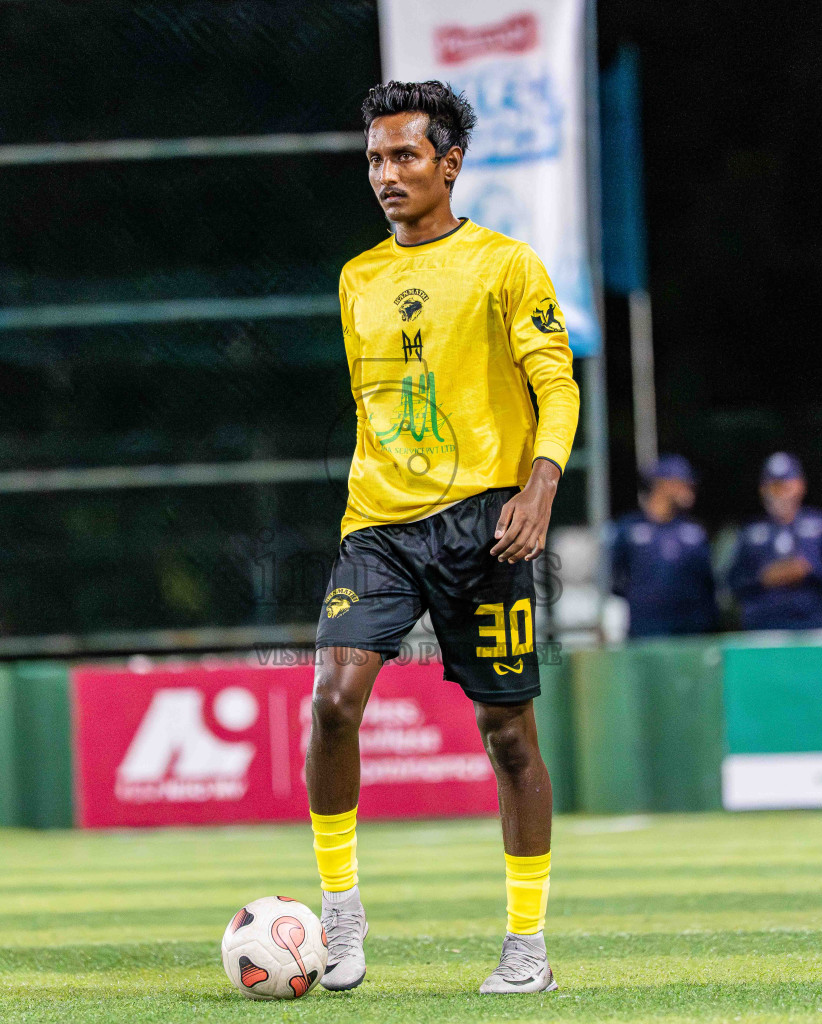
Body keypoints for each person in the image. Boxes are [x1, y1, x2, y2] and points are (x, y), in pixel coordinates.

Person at [306, 81, 579, 995]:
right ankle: (340, 922)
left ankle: (527, 949)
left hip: (485, 528)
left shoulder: (507, 265)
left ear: (448, 163)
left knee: (507, 737)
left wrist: (538, 484)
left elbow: (557, 385)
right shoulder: (357, 278)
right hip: (377, 526)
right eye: (376, 159)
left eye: (405, 157)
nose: (386, 174)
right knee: (332, 703)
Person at [726, 452, 822, 629]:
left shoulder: (821, 524)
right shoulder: (749, 532)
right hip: (762, 626)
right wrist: (763, 577)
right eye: (774, 487)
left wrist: (809, 571)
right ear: (763, 489)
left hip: (812, 624)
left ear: (800, 486)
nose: (780, 494)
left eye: (786, 486)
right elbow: (731, 582)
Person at [609, 454, 718, 636]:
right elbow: (615, 578)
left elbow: (707, 585)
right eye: (682, 482)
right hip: (643, 631)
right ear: (662, 484)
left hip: (690, 633)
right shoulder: (628, 528)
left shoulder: (694, 532)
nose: (689, 487)